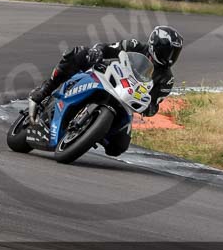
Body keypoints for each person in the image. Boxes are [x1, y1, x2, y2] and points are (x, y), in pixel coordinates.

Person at [28, 26, 184, 154]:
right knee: (79, 54)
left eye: (174, 53)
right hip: (108, 78)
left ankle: (92, 132)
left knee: (118, 147)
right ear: (154, 45)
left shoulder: (166, 79)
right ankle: (43, 91)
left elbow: (153, 105)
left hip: (125, 101)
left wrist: (148, 107)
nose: (170, 57)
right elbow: (107, 48)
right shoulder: (135, 46)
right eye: (167, 51)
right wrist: (98, 52)